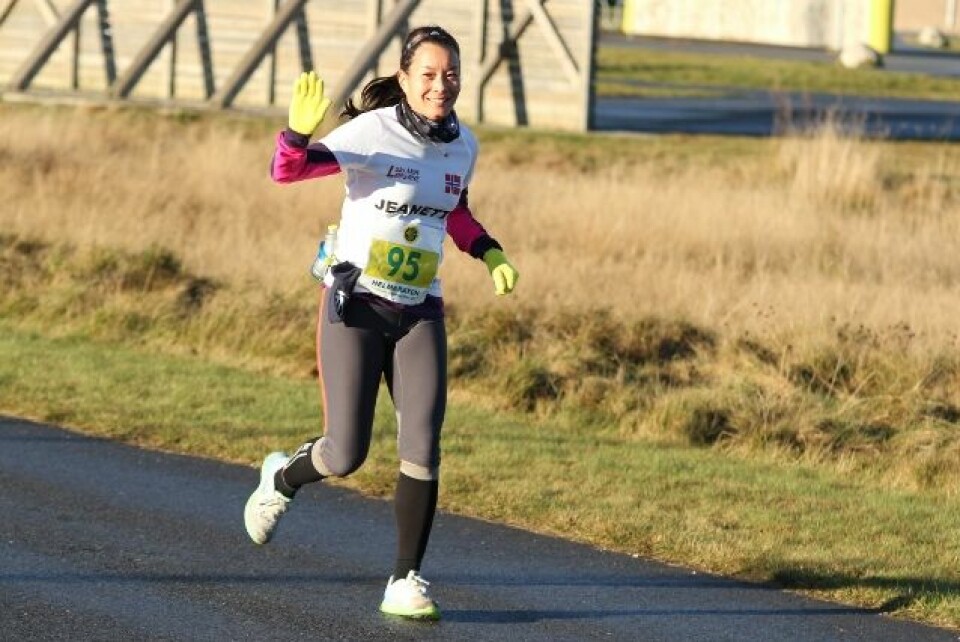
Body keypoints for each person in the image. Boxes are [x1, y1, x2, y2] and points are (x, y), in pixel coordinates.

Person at [243, 25, 519, 621]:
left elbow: (455, 210)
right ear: (403, 78)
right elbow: (287, 172)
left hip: (420, 310)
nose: (440, 86)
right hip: (357, 304)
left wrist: (489, 252)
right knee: (346, 454)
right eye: (428, 74)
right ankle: (283, 478)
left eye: (450, 75)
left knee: (423, 448)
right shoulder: (373, 131)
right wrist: (295, 131)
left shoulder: (462, 144)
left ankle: (404, 579)